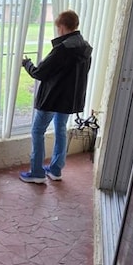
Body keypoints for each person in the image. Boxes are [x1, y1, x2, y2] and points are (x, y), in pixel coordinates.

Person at [19, 10, 93, 184]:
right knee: (60, 130)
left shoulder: (63, 49)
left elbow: (39, 73)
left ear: (61, 27)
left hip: (53, 99)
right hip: (69, 100)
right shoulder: (85, 47)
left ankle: (37, 173)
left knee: (37, 131)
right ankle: (55, 170)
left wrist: (27, 63)